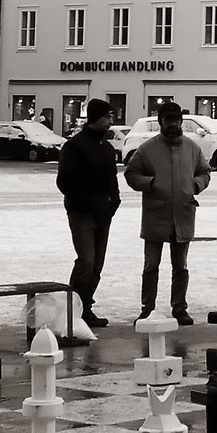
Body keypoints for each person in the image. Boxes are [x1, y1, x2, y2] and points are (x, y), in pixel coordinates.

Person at [123, 101, 210, 326]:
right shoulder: (147, 149)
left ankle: (179, 308)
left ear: (181, 121)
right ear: (161, 122)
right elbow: (131, 174)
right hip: (155, 217)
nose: (172, 124)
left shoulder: (192, 148)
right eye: (167, 120)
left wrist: (196, 185)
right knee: (151, 266)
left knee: (180, 266)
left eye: (175, 119)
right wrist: (150, 183)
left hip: (182, 215)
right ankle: (147, 308)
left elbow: (204, 172)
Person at [57, 100, 121, 333]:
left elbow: (112, 179)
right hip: (83, 212)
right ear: (95, 118)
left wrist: (114, 201)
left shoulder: (105, 147)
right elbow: (65, 181)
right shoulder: (75, 146)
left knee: (96, 264)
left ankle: (84, 306)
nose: (111, 121)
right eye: (107, 117)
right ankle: (74, 309)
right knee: (86, 261)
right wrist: (85, 203)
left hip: (103, 212)